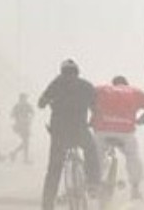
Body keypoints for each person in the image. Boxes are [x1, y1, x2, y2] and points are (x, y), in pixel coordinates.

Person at [38, 59, 100, 210]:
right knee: (91, 151)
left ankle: (47, 204)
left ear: (62, 71)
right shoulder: (86, 85)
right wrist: (92, 121)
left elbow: (41, 103)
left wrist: (47, 101)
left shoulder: (57, 83)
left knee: (54, 169)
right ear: (77, 72)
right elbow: (96, 109)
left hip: (59, 133)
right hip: (80, 130)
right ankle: (93, 184)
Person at [91, 75, 144, 201]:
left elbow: (86, 98)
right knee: (132, 156)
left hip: (103, 130)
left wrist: (93, 115)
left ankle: (94, 183)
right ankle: (135, 189)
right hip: (125, 131)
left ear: (113, 84)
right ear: (126, 84)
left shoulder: (102, 89)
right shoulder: (135, 92)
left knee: (96, 155)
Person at [9, 93, 34, 163]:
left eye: (25, 98)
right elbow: (12, 115)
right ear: (21, 99)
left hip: (25, 125)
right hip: (20, 126)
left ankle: (14, 153)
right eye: (24, 98)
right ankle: (24, 159)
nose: (25, 100)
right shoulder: (17, 106)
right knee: (26, 142)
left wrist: (29, 118)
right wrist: (19, 118)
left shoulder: (26, 105)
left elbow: (32, 112)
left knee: (25, 142)